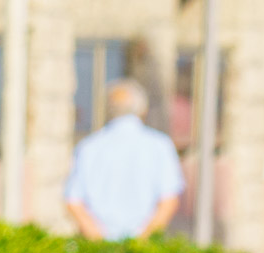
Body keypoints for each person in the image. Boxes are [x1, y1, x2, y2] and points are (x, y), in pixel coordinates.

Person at [64, 79, 185, 241]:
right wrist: (142, 241)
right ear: (143, 109)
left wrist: (99, 241)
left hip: (98, 247)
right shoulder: (160, 145)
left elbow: (74, 200)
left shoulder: (89, 146)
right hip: (143, 246)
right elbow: (169, 200)